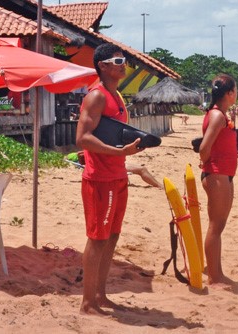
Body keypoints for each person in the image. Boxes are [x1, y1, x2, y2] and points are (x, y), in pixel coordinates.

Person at [75, 43, 147, 315]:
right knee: (97, 238)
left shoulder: (116, 96)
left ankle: (100, 295)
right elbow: (82, 138)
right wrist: (119, 151)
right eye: (118, 60)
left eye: (124, 60)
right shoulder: (97, 96)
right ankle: (87, 302)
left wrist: (131, 147)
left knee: (112, 236)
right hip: (101, 179)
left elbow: (109, 133)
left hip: (117, 175)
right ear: (102, 65)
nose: (123, 64)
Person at [198, 74, 238, 287]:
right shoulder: (218, 116)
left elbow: (217, 147)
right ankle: (214, 276)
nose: (237, 94)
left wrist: (237, 155)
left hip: (223, 173)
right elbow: (204, 149)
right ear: (229, 94)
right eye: (236, 90)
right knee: (215, 226)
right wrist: (210, 165)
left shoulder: (221, 115)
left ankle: (216, 272)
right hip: (217, 174)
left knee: (219, 226)